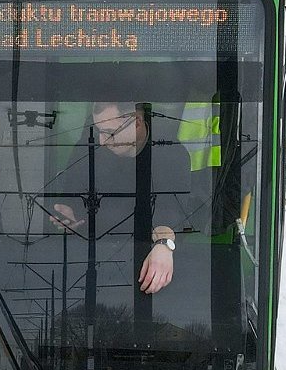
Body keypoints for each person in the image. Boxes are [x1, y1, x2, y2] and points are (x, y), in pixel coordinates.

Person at [46, 101, 197, 295]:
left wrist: (164, 245)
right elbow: (70, 194)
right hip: (90, 261)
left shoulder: (172, 153)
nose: (102, 140)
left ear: (137, 122)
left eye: (109, 132)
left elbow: (171, 212)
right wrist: (68, 214)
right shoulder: (89, 146)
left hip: (147, 267)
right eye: (98, 130)